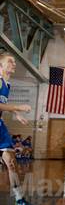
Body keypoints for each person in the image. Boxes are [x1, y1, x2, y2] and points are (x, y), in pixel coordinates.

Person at [0, 54, 31, 204]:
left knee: (11, 163)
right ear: (0, 66)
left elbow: (3, 103)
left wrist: (16, 113)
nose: (14, 63)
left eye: (14, 61)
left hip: (0, 126)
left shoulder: (7, 84)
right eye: (10, 61)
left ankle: (19, 199)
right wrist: (18, 107)